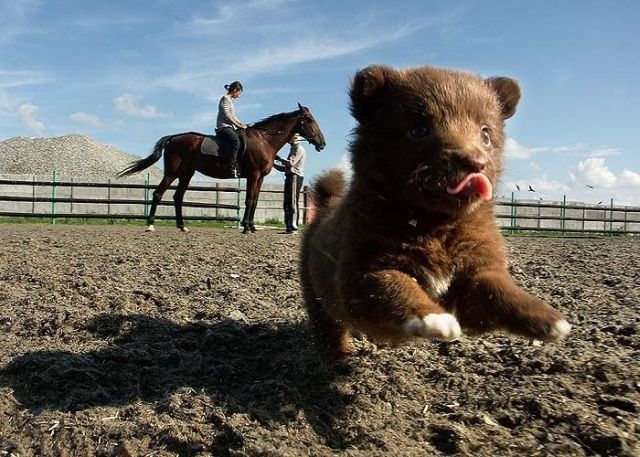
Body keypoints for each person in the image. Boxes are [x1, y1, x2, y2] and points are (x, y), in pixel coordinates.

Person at [274, 134, 306, 233]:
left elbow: (290, 163)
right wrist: (273, 163)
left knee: (292, 201)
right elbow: (286, 167)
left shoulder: (299, 149)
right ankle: (289, 226)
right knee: (287, 202)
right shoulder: (293, 149)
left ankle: (293, 226)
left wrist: (278, 158)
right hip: (290, 176)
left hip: (295, 176)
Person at [216, 81, 247, 178]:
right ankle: (231, 167)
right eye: (239, 92)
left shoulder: (230, 101)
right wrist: (238, 125)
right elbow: (227, 115)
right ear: (235, 90)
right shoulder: (225, 99)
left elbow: (233, 116)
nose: (239, 95)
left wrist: (241, 124)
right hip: (223, 127)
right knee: (236, 142)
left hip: (230, 126)